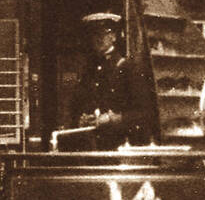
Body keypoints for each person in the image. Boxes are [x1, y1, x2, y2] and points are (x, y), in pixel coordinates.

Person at [67, 12, 160, 149]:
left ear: (113, 37)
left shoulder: (128, 68)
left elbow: (144, 113)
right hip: (93, 145)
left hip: (121, 145)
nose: (99, 39)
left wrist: (112, 119)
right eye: (95, 34)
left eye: (104, 34)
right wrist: (83, 118)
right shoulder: (89, 71)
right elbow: (78, 104)